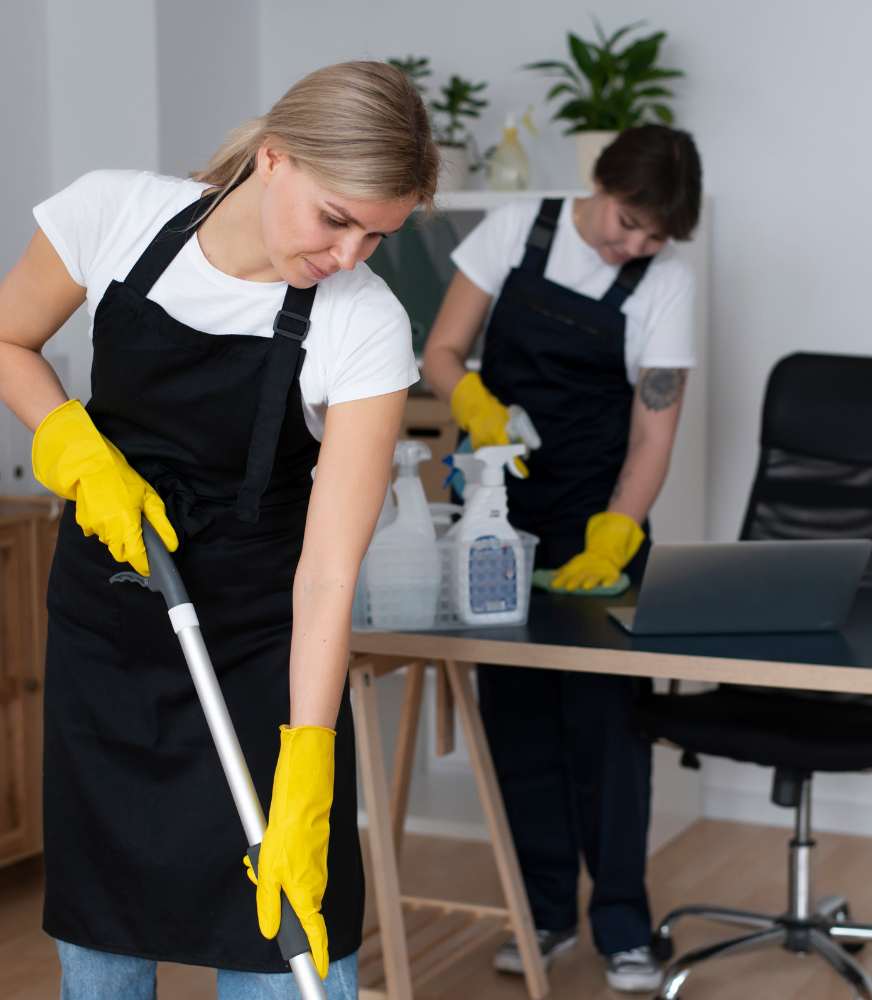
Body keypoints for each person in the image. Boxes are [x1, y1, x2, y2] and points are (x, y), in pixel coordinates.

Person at [0, 62, 436, 1000]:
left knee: (287, 955)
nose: (352, 254)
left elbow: (326, 575)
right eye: (336, 218)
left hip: (259, 651)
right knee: (104, 949)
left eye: (379, 235)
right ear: (273, 158)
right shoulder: (110, 214)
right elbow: (6, 336)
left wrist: (308, 762)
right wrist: (73, 442)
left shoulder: (365, 326)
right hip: (107, 639)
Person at [422, 124, 702, 993]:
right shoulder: (516, 230)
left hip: (599, 517)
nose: (637, 244)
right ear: (600, 183)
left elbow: (654, 431)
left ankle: (622, 923)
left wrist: (618, 531)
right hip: (498, 513)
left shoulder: (667, 280)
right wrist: (473, 401)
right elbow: (441, 351)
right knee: (519, 721)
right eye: (628, 222)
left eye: (655, 235)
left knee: (609, 726)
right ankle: (541, 912)